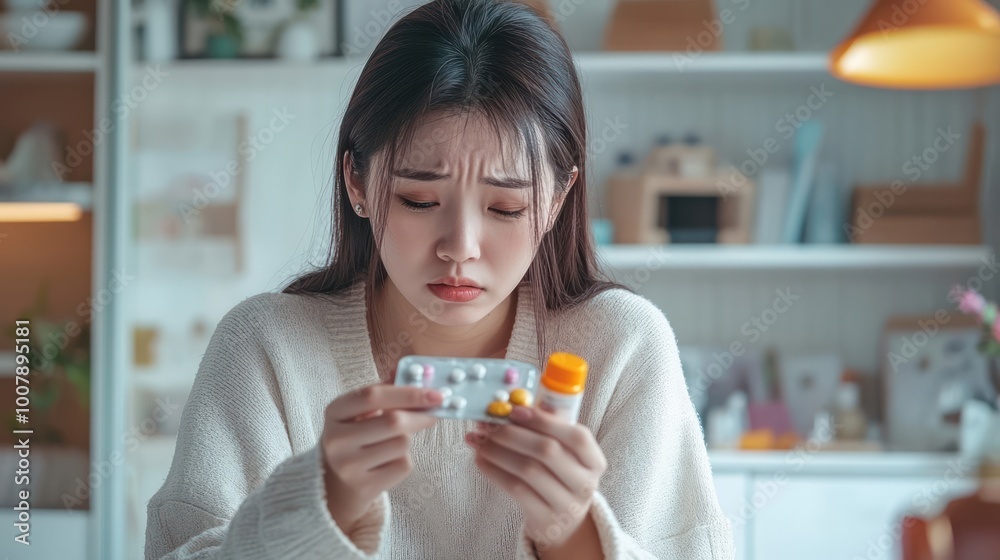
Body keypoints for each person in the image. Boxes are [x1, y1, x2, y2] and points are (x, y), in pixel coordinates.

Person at [144, 0, 734, 558]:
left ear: (557, 200)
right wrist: (317, 505)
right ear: (356, 181)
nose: (460, 248)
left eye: (505, 208)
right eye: (419, 200)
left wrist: (573, 534)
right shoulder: (265, 348)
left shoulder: (623, 349)